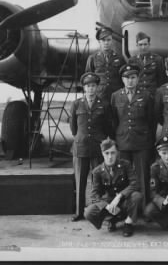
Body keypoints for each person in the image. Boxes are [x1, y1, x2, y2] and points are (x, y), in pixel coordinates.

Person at [69, 72, 112, 222]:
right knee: (80, 181)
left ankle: (98, 210)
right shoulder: (76, 104)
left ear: (97, 87)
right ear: (84, 88)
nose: (91, 89)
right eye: (88, 86)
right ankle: (79, 212)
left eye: (93, 86)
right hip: (80, 148)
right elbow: (73, 128)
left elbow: (108, 127)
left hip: (97, 148)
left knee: (98, 181)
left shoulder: (104, 104)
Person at [111, 64, 155, 208]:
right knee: (122, 177)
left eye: (133, 77)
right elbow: (113, 120)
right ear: (122, 79)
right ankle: (125, 208)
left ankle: (143, 207)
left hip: (142, 141)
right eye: (127, 78)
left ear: (137, 78)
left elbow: (151, 120)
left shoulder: (146, 95)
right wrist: (116, 138)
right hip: (123, 141)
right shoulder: (116, 96)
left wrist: (148, 138)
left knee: (143, 176)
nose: (130, 80)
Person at [84, 138, 143, 237]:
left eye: (113, 153)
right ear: (102, 153)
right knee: (89, 212)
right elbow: (94, 195)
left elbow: (135, 183)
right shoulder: (97, 171)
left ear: (117, 153)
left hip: (124, 200)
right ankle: (111, 220)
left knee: (136, 196)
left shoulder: (126, 165)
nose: (110, 157)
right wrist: (107, 206)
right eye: (107, 153)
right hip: (108, 202)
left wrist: (119, 196)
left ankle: (128, 223)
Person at [85, 27, 125, 102]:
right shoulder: (92, 58)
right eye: (103, 40)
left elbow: (123, 77)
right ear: (99, 41)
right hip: (99, 94)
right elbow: (88, 78)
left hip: (116, 94)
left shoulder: (119, 58)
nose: (106, 42)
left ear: (112, 41)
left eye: (108, 40)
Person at [128, 31, 166, 96]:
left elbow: (161, 79)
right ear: (137, 45)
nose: (143, 47)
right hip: (138, 95)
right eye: (140, 45)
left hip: (153, 95)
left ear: (149, 45)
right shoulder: (132, 60)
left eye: (145, 44)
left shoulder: (157, 59)